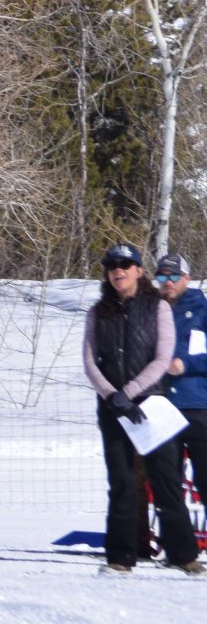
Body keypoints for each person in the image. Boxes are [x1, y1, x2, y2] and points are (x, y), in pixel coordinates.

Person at [82, 244, 204, 575]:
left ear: (138, 270)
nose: (118, 271)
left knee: (166, 481)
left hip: (151, 403)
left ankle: (184, 555)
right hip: (113, 408)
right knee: (122, 482)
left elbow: (162, 358)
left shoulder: (157, 308)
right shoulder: (98, 311)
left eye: (126, 265)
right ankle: (120, 558)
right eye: (112, 266)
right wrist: (112, 396)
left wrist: (131, 392)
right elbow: (90, 361)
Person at [156, 254, 207, 528]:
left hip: (199, 405)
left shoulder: (202, 309)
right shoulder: (151, 310)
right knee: (167, 481)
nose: (168, 282)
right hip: (163, 406)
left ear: (186, 278)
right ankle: (177, 542)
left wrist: (185, 365)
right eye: (162, 276)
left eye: (174, 276)